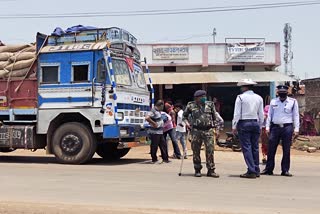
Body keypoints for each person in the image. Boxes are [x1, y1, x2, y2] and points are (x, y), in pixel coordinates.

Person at [262, 85, 299, 177]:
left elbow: (296, 115)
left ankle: (285, 170)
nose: (282, 94)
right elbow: (270, 115)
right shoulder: (273, 101)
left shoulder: (293, 102)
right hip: (275, 127)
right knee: (271, 149)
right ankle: (269, 169)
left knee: (286, 149)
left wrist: (296, 129)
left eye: (284, 92)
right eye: (280, 92)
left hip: (287, 127)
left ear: (287, 93)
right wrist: (267, 127)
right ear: (278, 93)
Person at [183, 90, 219, 178]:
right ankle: (197, 169)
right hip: (196, 131)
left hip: (208, 130)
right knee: (196, 151)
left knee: (210, 151)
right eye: (202, 97)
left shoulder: (210, 105)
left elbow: (215, 118)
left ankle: (211, 170)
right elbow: (184, 116)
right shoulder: (191, 105)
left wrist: (217, 130)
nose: (204, 98)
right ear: (197, 98)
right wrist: (187, 124)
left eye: (204, 96)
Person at [232, 79, 264, 179]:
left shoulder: (240, 98)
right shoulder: (259, 98)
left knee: (246, 147)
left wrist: (234, 126)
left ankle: (251, 170)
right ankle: (256, 169)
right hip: (255, 122)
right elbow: (261, 114)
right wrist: (261, 125)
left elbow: (237, 113)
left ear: (245, 87)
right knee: (255, 147)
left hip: (244, 123)